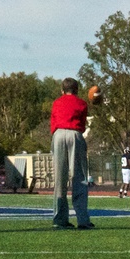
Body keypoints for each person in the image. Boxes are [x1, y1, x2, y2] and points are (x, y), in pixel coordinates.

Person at [50, 77, 93, 229]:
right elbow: (82, 124)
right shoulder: (82, 103)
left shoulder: (56, 103)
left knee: (60, 179)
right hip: (75, 134)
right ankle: (82, 219)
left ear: (62, 90)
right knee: (79, 177)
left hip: (58, 134)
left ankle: (60, 219)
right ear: (76, 90)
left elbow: (53, 122)